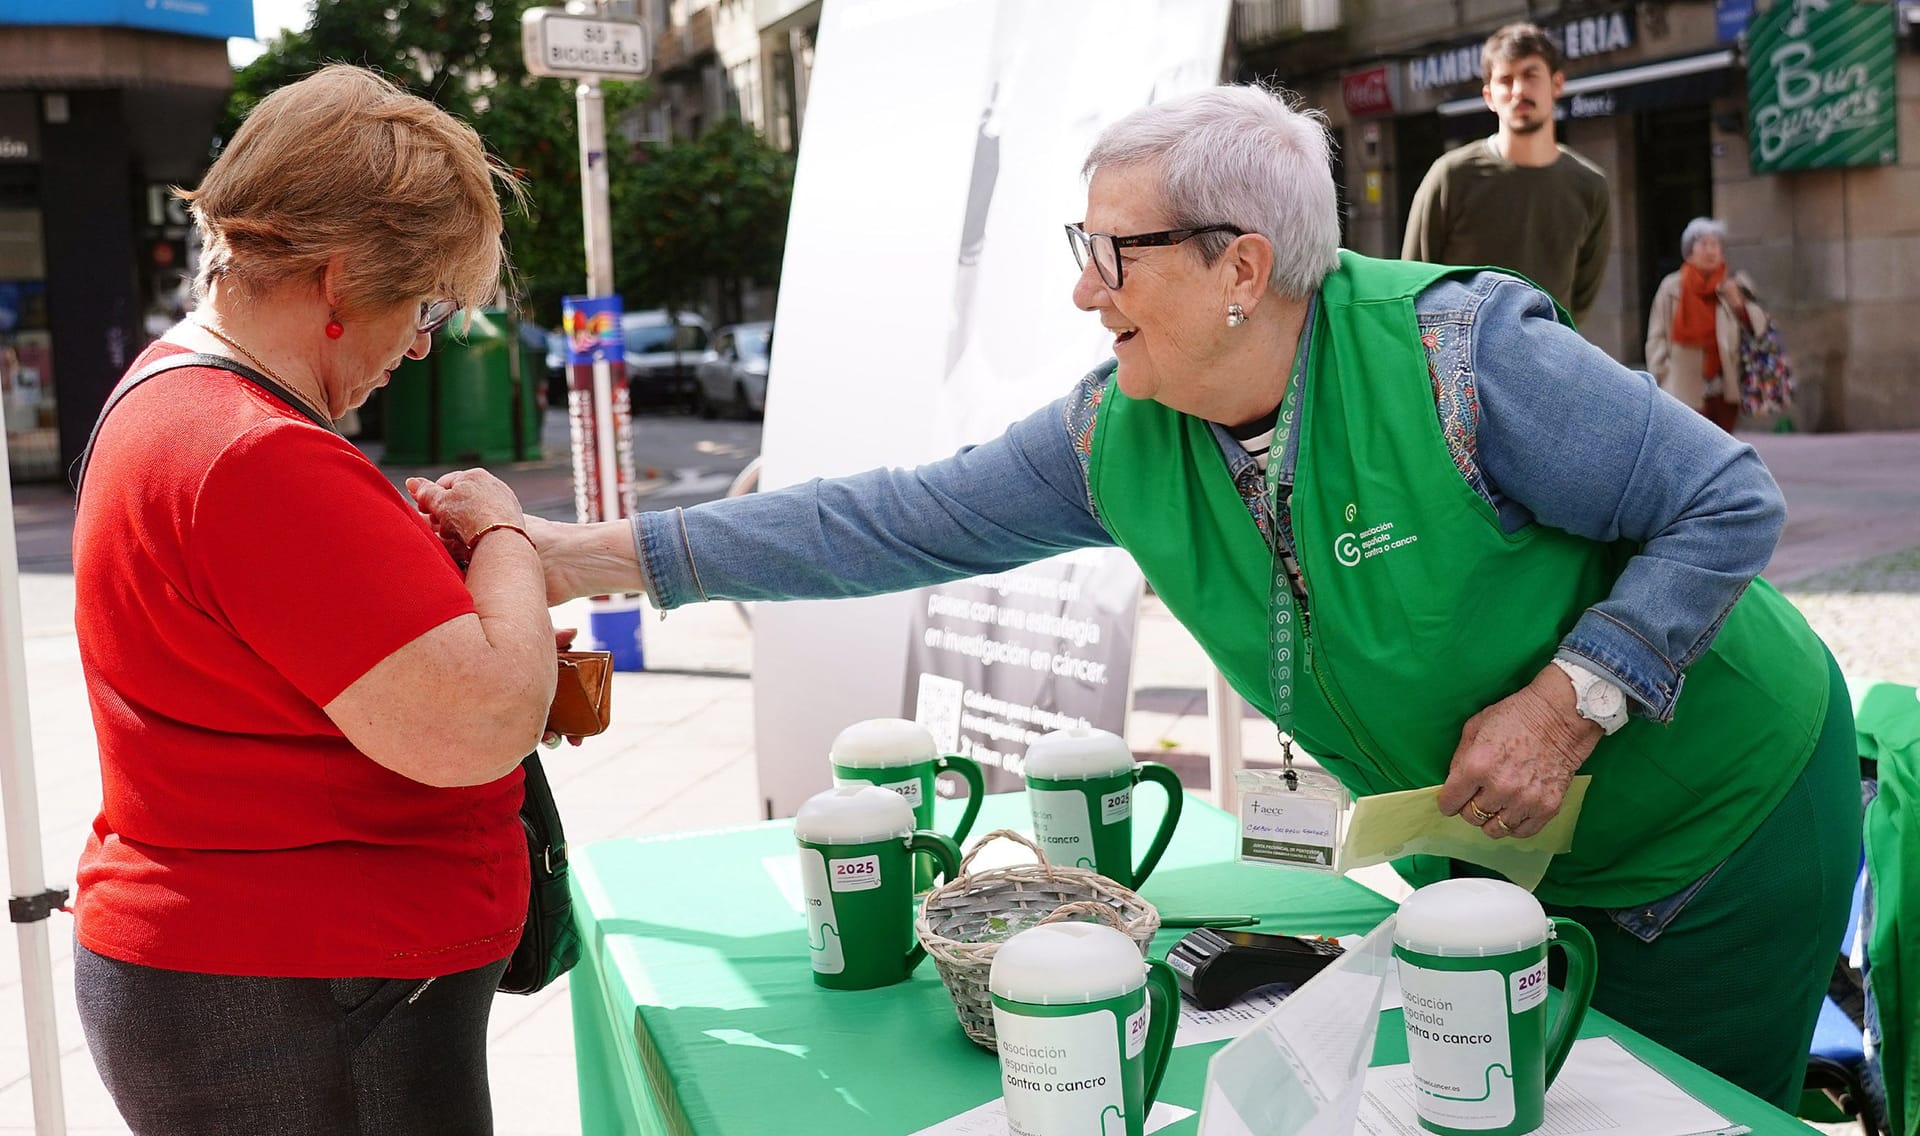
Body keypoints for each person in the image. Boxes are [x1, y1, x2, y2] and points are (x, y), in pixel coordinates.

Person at [431, 83, 1857, 1110]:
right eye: (1081, 251)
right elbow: (892, 522)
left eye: (1113, 257)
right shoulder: (1119, 433)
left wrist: (1569, 700)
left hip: (1715, 839)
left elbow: (1727, 501)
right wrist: (567, 556)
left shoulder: (1463, 358)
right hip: (1494, 872)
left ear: (1243, 266)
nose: (1083, 294)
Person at [70, 65, 557, 1135]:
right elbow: (481, 718)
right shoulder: (254, 452)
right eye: (424, 302)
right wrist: (505, 536)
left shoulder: (180, 397)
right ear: (341, 282)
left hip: (265, 980)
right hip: (295, 989)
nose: (422, 343)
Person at [1401, 23, 1611, 326]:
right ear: (1489, 96)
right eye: (1506, 79)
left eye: (1530, 75)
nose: (1518, 91)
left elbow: (1580, 302)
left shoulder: (1590, 187)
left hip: (1549, 365)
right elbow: (1413, 284)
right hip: (1460, 367)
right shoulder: (1451, 176)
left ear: (1557, 84)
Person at [1645, 217, 1771, 434]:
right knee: (1690, 444)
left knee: (1723, 444)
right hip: (1683, 385)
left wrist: (1738, 304)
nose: (1710, 250)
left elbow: (1759, 328)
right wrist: (1662, 374)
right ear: (1689, 251)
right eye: (1704, 244)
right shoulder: (1671, 287)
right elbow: (1656, 336)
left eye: (1715, 244)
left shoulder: (1734, 285)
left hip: (1725, 385)